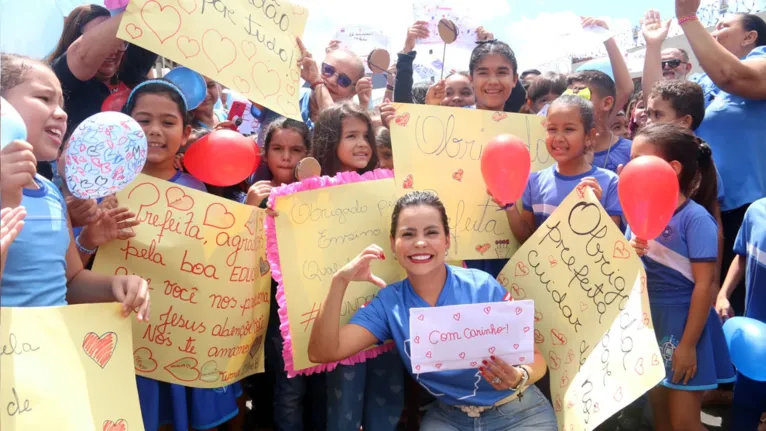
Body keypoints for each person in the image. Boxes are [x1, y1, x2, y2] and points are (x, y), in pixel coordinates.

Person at [307, 191, 557, 430]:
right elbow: (323, 351)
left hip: (519, 413)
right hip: (450, 419)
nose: (419, 242)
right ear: (393, 245)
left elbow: (536, 359)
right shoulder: (389, 304)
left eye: (431, 232)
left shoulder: (481, 286)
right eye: (407, 234)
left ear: (447, 240)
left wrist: (519, 377)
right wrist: (339, 281)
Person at [121, 79, 244, 431]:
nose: (154, 131)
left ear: (187, 131)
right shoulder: (106, 188)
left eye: (168, 122)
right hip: (128, 334)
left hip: (182, 335)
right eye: (143, 120)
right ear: (126, 123)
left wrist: (248, 216)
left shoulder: (196, 189)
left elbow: (213, 260)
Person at [0, 52, 150, 314]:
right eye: (43, 98)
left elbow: (71, 281)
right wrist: (7, 199)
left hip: (51, 348)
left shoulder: (50, 193)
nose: (61, 114)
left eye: (62, 104)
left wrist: (117, 284)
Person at [627, 123, 736, 431]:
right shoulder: (635, 212)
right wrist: (628, 251)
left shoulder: (694, 218)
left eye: (639, 159)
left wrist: (687, 346)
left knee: (684, 423)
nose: (629, 167)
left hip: (686, 327)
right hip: (650, 324)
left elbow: (704, 285)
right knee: (660, 419)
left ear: (672, 168)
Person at [310, 101, 403, 430]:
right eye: (351, 135)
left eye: (366, 135)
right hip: (341, 319)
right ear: (328, 140)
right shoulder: (309, 194)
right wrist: (282, 216)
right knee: (344, 401)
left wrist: (399, 129)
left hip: (384, 311)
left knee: (387, 397)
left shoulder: (387, 186)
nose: (362, 143)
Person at [674, 3, 766, 318]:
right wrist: (655, 44)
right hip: (702, 207)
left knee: (744, 308)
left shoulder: (761, 63)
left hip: (751, 212)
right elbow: (663, 112)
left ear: (750, 36)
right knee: (703, 306)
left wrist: (687, 17)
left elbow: (732, 76)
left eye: (724, 26)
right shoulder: (704, 82)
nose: (714, 32)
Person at [243, 118, 326, 430]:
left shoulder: (319, 192)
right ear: (265, 154)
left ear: (308, 154)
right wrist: (253, 208)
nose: (286, 156)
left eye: (295, 149)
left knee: (312, 385)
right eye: (277, 148)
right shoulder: (255, 194)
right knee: (281, 383)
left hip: (308, 303)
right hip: (269, 307)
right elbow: (236, 247)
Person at [499, 95, 622, 245]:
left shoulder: (609, 182)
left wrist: (594, 210)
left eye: (569, 129)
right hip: (543, 267)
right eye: (551, 129)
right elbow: (526, 238)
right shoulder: (534, 181)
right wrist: (510, 207)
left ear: (589, 136)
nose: (558, 137)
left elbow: (612, 245)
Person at [48, 5, 157, 131]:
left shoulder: (134, 79)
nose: (113, 49)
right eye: (102, 41)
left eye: (118, 40)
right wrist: (146, 8)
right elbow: (81, 56)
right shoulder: (58, 78)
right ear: (74, 41)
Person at [715, 196, 766, 430]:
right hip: (752, 343)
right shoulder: (756, 212)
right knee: (744, 408)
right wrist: (724, 293)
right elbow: (742, 255)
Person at [295, 37, 369, 130]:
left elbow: (333, 125)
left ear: (353, 92)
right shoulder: (289, 96)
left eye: (343, 80)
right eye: (328, 70)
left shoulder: (349, 126)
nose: (332, 81)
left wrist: (317, 83)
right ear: (318, 67)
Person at [566, 70, 632, 174]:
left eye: (581, 97)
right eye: (567, 98)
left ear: (606, 103)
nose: (571, 104)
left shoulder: (631, 152)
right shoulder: (559, 151)